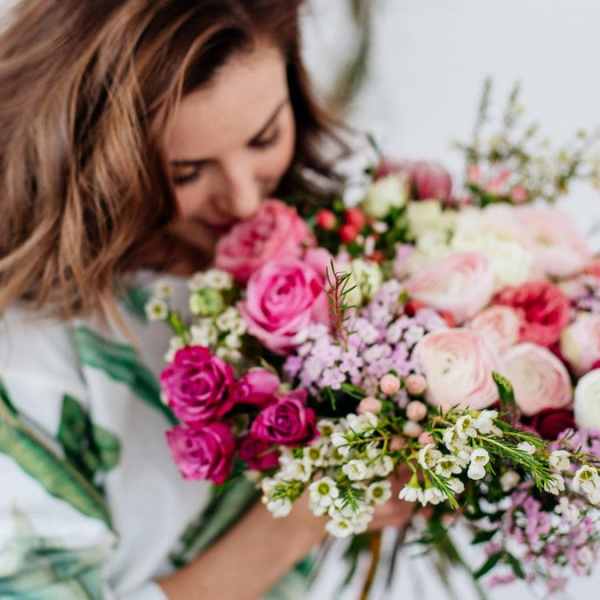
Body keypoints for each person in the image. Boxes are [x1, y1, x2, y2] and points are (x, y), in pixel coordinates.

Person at [0, 2, 415, 599]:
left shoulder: (334, 249)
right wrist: (300, 522)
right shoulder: (32, 350)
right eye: (188, 171)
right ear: (93, 159)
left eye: (265, 137)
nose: (243, 200)